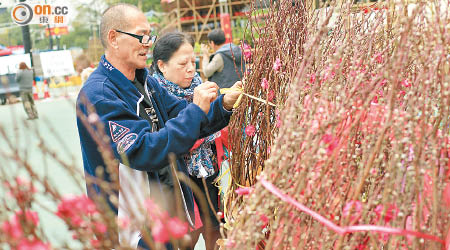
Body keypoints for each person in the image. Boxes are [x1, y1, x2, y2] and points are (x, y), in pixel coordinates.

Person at [75, 3, 242, 250]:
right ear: (114, 38)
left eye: (149, 36)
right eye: (142, 35)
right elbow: (143, 151)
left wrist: (224, 105)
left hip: (164, 216)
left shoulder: (147, 83)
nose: (148, 43)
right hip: (133, 231)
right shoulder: (100, 94)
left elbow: (188, 118)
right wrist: (196, 109)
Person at [152, 32, 230, 250]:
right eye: (182, 63)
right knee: (187, 236)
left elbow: (214, 123)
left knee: (216, 229)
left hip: (210, 173)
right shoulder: (156, 99)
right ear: (162, 66)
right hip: (180, 177)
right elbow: (168, 137)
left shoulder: (201, 87)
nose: (191, 69)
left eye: (193, 62)